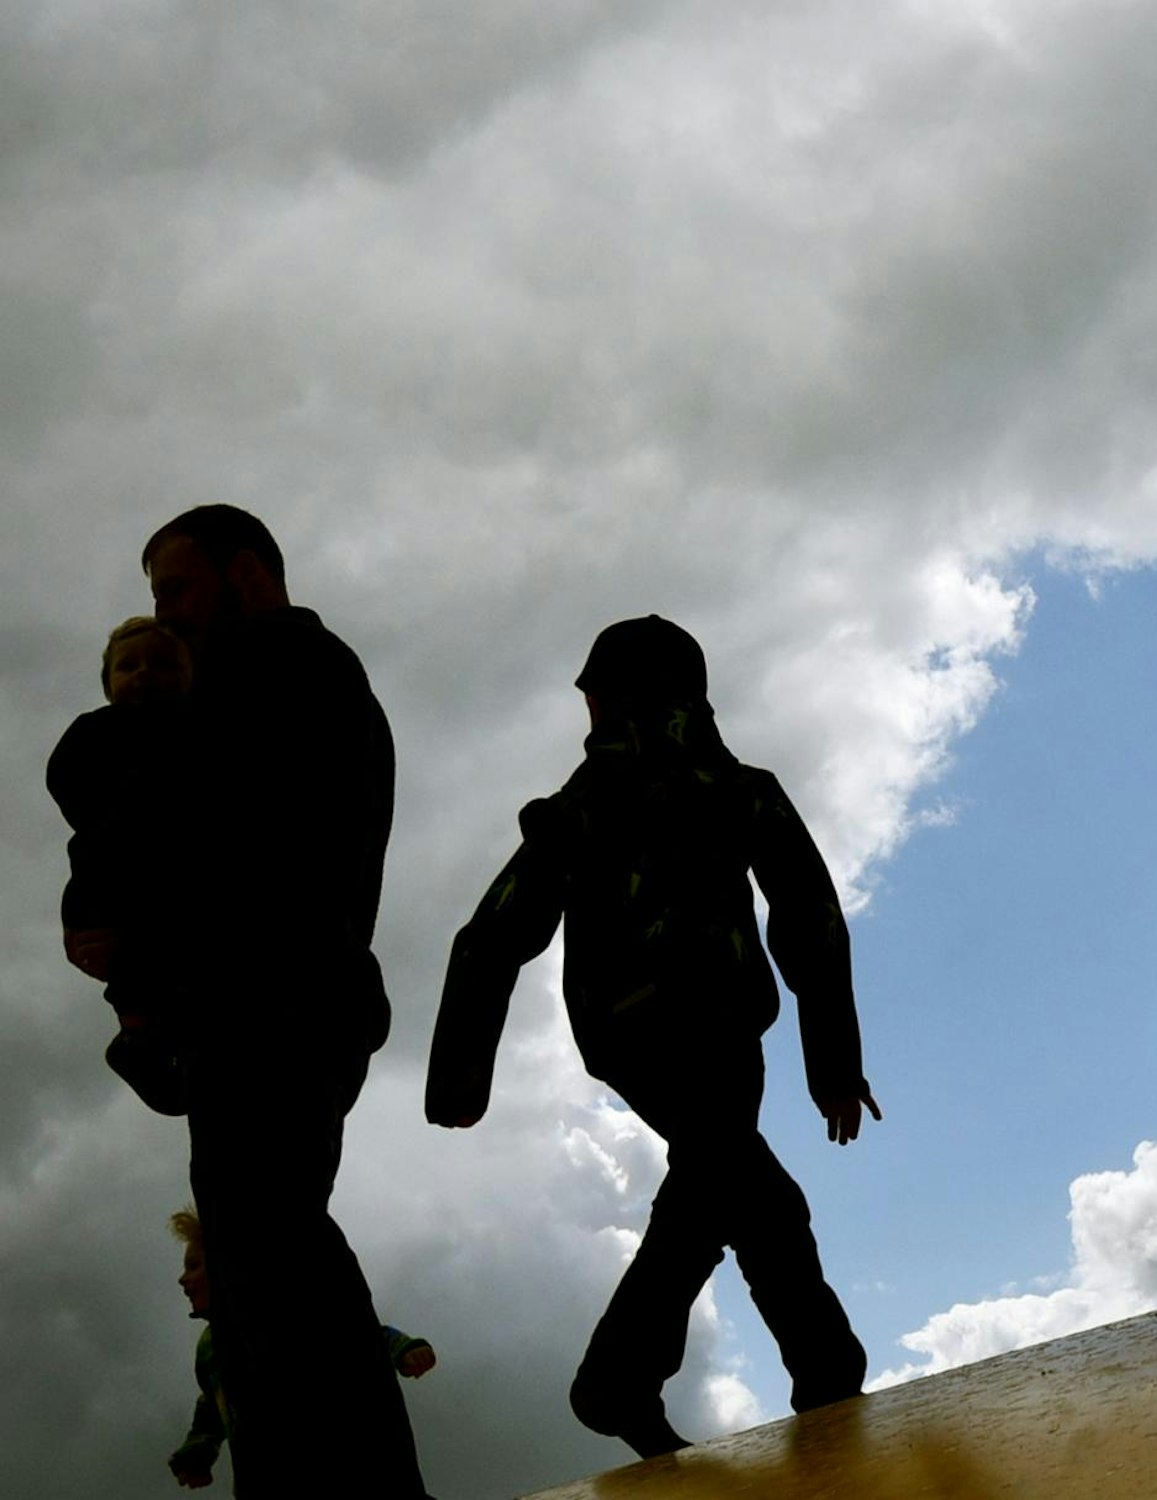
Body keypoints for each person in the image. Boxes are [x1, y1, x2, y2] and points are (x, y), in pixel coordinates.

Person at [426, 614, 881, 1458]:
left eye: (593, 696)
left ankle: (639, 1383)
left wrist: (835, 1064)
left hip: (673, 1034)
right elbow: (811, 918)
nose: (587, 713)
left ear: (610, 699)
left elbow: (490, 935)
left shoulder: (612, 805)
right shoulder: (668, 800)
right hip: (680, 1033)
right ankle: (795, 1381)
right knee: (749, 1191)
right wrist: (831, 1059)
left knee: (723, 1195)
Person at [62, 504, 428, 1497]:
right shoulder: (293, 679)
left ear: (247, 575)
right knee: (272, 1249)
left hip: (271, 1003)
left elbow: (175, 814)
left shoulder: (269, 665)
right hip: (281, 1002)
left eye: (175, 589)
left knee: (265, 1263)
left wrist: (111, 906)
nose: (166, 617)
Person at [166, 1208, 437, 1492]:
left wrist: (404, 1348)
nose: (183, 1279)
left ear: (228, 1267)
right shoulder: (210, 1347)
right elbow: (211, 1404)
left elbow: (358, 1337)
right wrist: (197, 1452)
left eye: (194, 1266)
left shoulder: (287, 1314)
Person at [45, 616, 195, 1114]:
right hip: (108, 874)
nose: (144, 674)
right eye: (127, 666)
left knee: (168, 968)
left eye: (162, 663)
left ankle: (152, 1040)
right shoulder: (98, 732)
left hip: (170, 884)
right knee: (131, 973)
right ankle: (136, 1037)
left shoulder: (198, 730)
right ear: (108, 685)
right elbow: (67, 784)